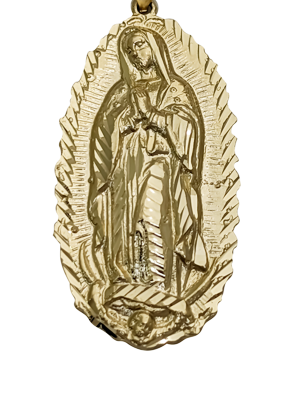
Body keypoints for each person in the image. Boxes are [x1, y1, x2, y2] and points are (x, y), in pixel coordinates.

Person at [88, 27, 207, 296]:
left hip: (159, 167)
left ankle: (158, 287)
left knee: (152, 219)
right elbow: (103, 133)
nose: (135, 53)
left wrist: (153, 115)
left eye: (140, 45)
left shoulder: (174, 89)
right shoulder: (122, 91)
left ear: (154, 46)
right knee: (126, 224)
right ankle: (128, 284)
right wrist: (125, 122)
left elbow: (188, 129)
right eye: (129, 50)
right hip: (126, 169)